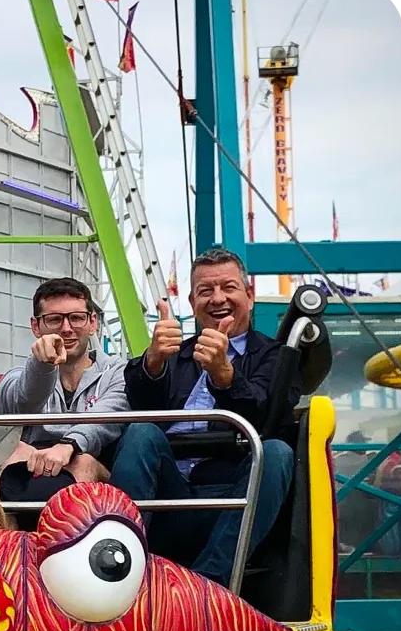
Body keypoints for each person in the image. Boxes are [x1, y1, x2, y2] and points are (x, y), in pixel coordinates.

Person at [109, 247, 298, 588]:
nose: (217, 299)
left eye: (228, 288)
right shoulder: (175, 354)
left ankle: (208, 585)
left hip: (231, 495)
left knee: (277, 452)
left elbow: (269, 416)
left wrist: (225, 376)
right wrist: (152, 362)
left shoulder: (275, 357)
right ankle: (119, 570)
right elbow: (139, 402)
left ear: (249, 296)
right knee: (139, 433)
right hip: (168, 490)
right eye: (205, 291)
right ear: (193, 302)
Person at [0, 278, 129, 529]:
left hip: (97, 473)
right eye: (54, 320)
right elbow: (23, 401)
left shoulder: (119, 372)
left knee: (82, 461)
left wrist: (68, 446)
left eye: (76, 318)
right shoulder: (17, 376)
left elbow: (109, 414)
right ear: (36, 326)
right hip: (31, 469)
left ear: (93, 322)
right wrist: (42, 364)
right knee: (14, 449)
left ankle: (73, 544)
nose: (66, 328)